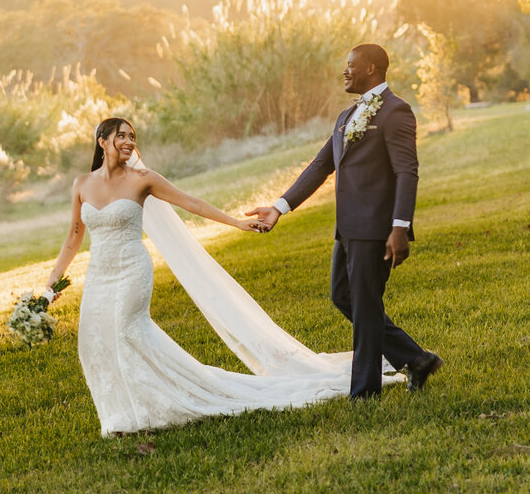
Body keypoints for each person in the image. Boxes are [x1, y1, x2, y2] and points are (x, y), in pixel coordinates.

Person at [44, 117, 367, 437]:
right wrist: (50, 286)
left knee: (126, 330)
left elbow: (191, 202)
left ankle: (152, 406)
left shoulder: (143, 179)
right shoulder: (82, 184)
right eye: (122, 136)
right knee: (95, 340)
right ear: (102, 141)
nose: (129, 142)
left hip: (131, 269)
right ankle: (119, 415)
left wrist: (235, 223)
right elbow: (73, 237)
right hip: (100, 275)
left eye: (133, 137)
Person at [248, 42, 442, 399]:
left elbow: (406, 172)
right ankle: (416, 358)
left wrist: (399, 227)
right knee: (343, 296)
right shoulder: (345, 117)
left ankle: (365, 392)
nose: (345, 71)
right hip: (347, 230)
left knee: (366, 307)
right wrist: (279, 207)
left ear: (371, 69)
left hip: (376, 228)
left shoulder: (396, 112)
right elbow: (320, 166)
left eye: (351, 65)